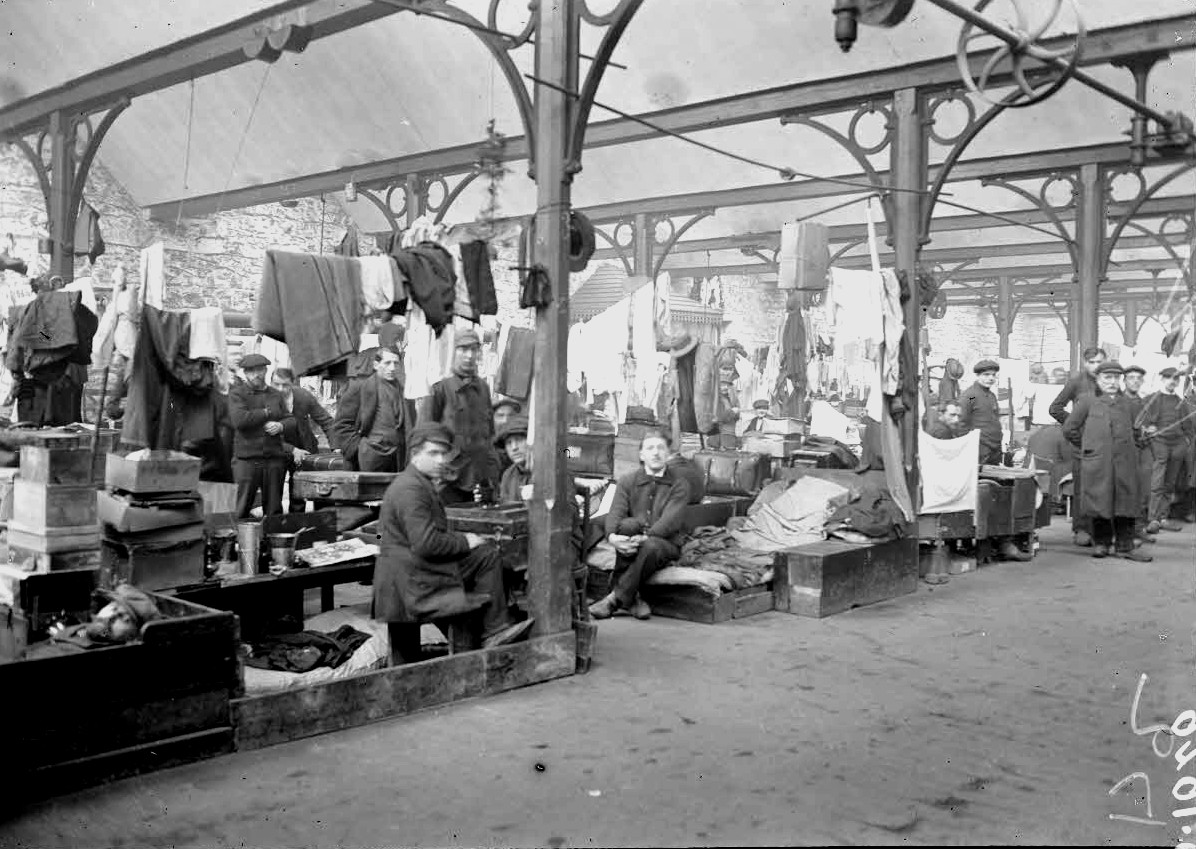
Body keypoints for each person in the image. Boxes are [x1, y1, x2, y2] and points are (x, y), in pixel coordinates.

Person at [372, 423, 532, 665]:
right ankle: (493, 631)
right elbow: (426, 544)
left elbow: (381, 534)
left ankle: (492, 627)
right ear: (415, 453)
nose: (440, 460)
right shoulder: (411, 489)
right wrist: (465, 540)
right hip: (413, 580)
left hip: (407, 571)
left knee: (488, 557)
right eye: (433, 453)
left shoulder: (414, 482)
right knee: (489, 556)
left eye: (442, 453)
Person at [588, 430, 690, 621]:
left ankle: (614, 599)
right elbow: (615, 512)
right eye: (650, 448)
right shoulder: (628, 480)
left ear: (669, 454)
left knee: (650, 545)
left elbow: (670, 521)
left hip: (664, 544)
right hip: (633, 539)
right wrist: (612, 537)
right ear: (642, 455)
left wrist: (646, 536)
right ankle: (632, 599)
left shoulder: (679, 484)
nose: (656, 453)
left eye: (661, 448)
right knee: (626, 525)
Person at [1061, 361, 1151, 562]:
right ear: (1098, 379)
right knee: (1099, 501)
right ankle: (1101, 543)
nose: (1112, 382)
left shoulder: (1128, 403)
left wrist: (1142, 437)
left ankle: (1124, 546)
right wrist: (1088, 447)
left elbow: (1137, 431)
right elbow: (1070, 429)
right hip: (1098, 463)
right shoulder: (1086, 401)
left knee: (1125, 502)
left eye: (1116, 378)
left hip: (1125, 463)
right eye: (1107, 378)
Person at [419, 328, 499, 504]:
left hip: (479, 482)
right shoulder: (440, 389)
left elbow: (489, 436)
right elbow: (422, 437)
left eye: (473, 350)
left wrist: (491, 477)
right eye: (463, 349)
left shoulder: (483, 389)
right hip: (447, 482)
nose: (469, 355)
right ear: (453, 352)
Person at [1050, 346, 1106, 547]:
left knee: (1102, 486)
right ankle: (1081, 529)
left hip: (1104, 443)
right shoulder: (1076, 382)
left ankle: (1101, 531)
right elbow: (1055, 408)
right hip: (1081, 443)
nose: (1095, 366)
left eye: (1099, 361)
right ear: (1084, 363)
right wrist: (1075, 423)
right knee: (1083, 487)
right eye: (1091, 362)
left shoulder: (1110, 383)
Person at [228, 353, 293, 519]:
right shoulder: (237, 394)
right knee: (240, 508)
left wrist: (280, 425)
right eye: (250, 371)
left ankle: (272, 543)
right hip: (247, 460)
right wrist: (267, 412)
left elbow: (290, 419)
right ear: (245, 373)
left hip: (273, 459)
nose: (256, 374)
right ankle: (235, 543)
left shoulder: (275, 394)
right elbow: (240, 420)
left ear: (265, 371)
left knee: (274, 512)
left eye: (259, 370)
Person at [1138, 366, 1195, 534]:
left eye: (1176, 379)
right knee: (1157, 482)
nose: (1172, 381)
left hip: (1177, 446)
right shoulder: (1151, 399)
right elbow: (1140, 421)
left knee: (1170, 483)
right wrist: (1147, 429)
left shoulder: (1181, 401)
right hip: (1159, 444)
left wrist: (1185, 443)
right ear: (1162, 379)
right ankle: (1152, 518)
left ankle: (1163, 517)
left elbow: (1189, 428)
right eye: (1169, 378)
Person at [332, 347, 407, 473]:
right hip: (369, 457)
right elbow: (341, 426)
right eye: (387, 363)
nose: (392, 368)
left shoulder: (401, 389)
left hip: (396, 458)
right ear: (376, 365)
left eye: (396, 363)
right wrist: (360, 449)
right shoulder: (361, 387)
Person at [271, 368, 335, 513]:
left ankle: (297, 527)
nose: (281, 389)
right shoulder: (264, 400)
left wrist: (336, 447)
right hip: (276, 448)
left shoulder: (303, 396)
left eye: (285, 385)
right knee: (273, 494)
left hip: (304, 448)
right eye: (276, 384)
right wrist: (292, 451)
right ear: (270, 383)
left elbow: (327, 421)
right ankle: (275, 529)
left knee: (299, 494)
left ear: (293, 383)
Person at [1121, 365, 1153, 543]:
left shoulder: (1143, 403)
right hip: (1125, 453)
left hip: (1142, 451)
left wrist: (1149, 429)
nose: (1135, 381)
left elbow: (1147, 425)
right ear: (1124, 380)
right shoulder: (1119, 402)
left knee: (1142, 491)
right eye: (1131, 378)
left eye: (1138, 378)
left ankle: (1138, 527)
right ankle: (1125, 532)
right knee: (1127, 491)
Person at [958, 359, 1003, 465]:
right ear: (978, 376)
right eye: (986, 375)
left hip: (995, 447)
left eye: (993, 375)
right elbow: (960, 421)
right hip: (980, 447)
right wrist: (970, 443)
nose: (991, 378)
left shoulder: (992, 395)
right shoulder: (971, 395)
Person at [495, 414, 531, 504]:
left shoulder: (548, 473)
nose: (514, 447)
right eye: (509, 443)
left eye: (519, 440)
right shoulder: (508, 475)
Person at [492, 396, 522, 476]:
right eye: (500, 416)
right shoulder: (485, 446)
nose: (505, 420)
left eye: (511, 415)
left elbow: (559, 450)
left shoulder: (526, 440)